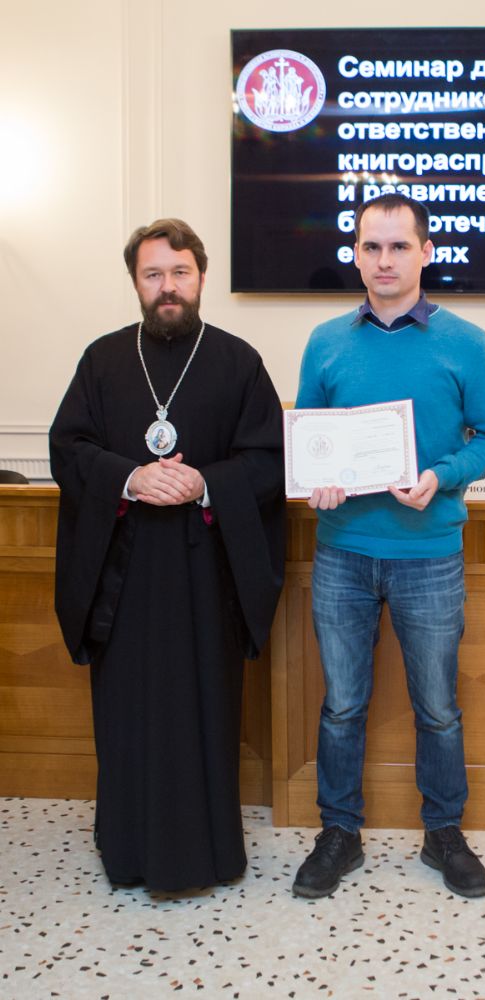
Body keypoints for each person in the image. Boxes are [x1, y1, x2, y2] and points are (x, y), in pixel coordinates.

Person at [50, 218, 285, 892]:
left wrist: (205, 483)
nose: (168, 287)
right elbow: (68, 447)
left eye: (180, 272)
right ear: (136, 282)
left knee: (203, 710)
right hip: (123, 576)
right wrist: (131, 478)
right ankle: (127, 853)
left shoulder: (238, 362)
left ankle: (209, 854)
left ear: (201, 277)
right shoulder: (102, 360)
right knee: (127, 711)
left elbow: (269, 460)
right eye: (153, 274)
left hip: (205, 573)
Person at [292, 194, 485, 900]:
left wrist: (440, 476)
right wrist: (318, 482)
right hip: (342, 554)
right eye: (371, 247)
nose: (383, 260)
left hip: (429, 556)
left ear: (425, 253)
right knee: (342, 706)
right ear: (355, 255)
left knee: (438, 708)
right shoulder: (325, 341)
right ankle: (339, 834)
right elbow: (309, 444)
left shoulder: (466, 341)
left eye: (398, 246)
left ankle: (443, 832)